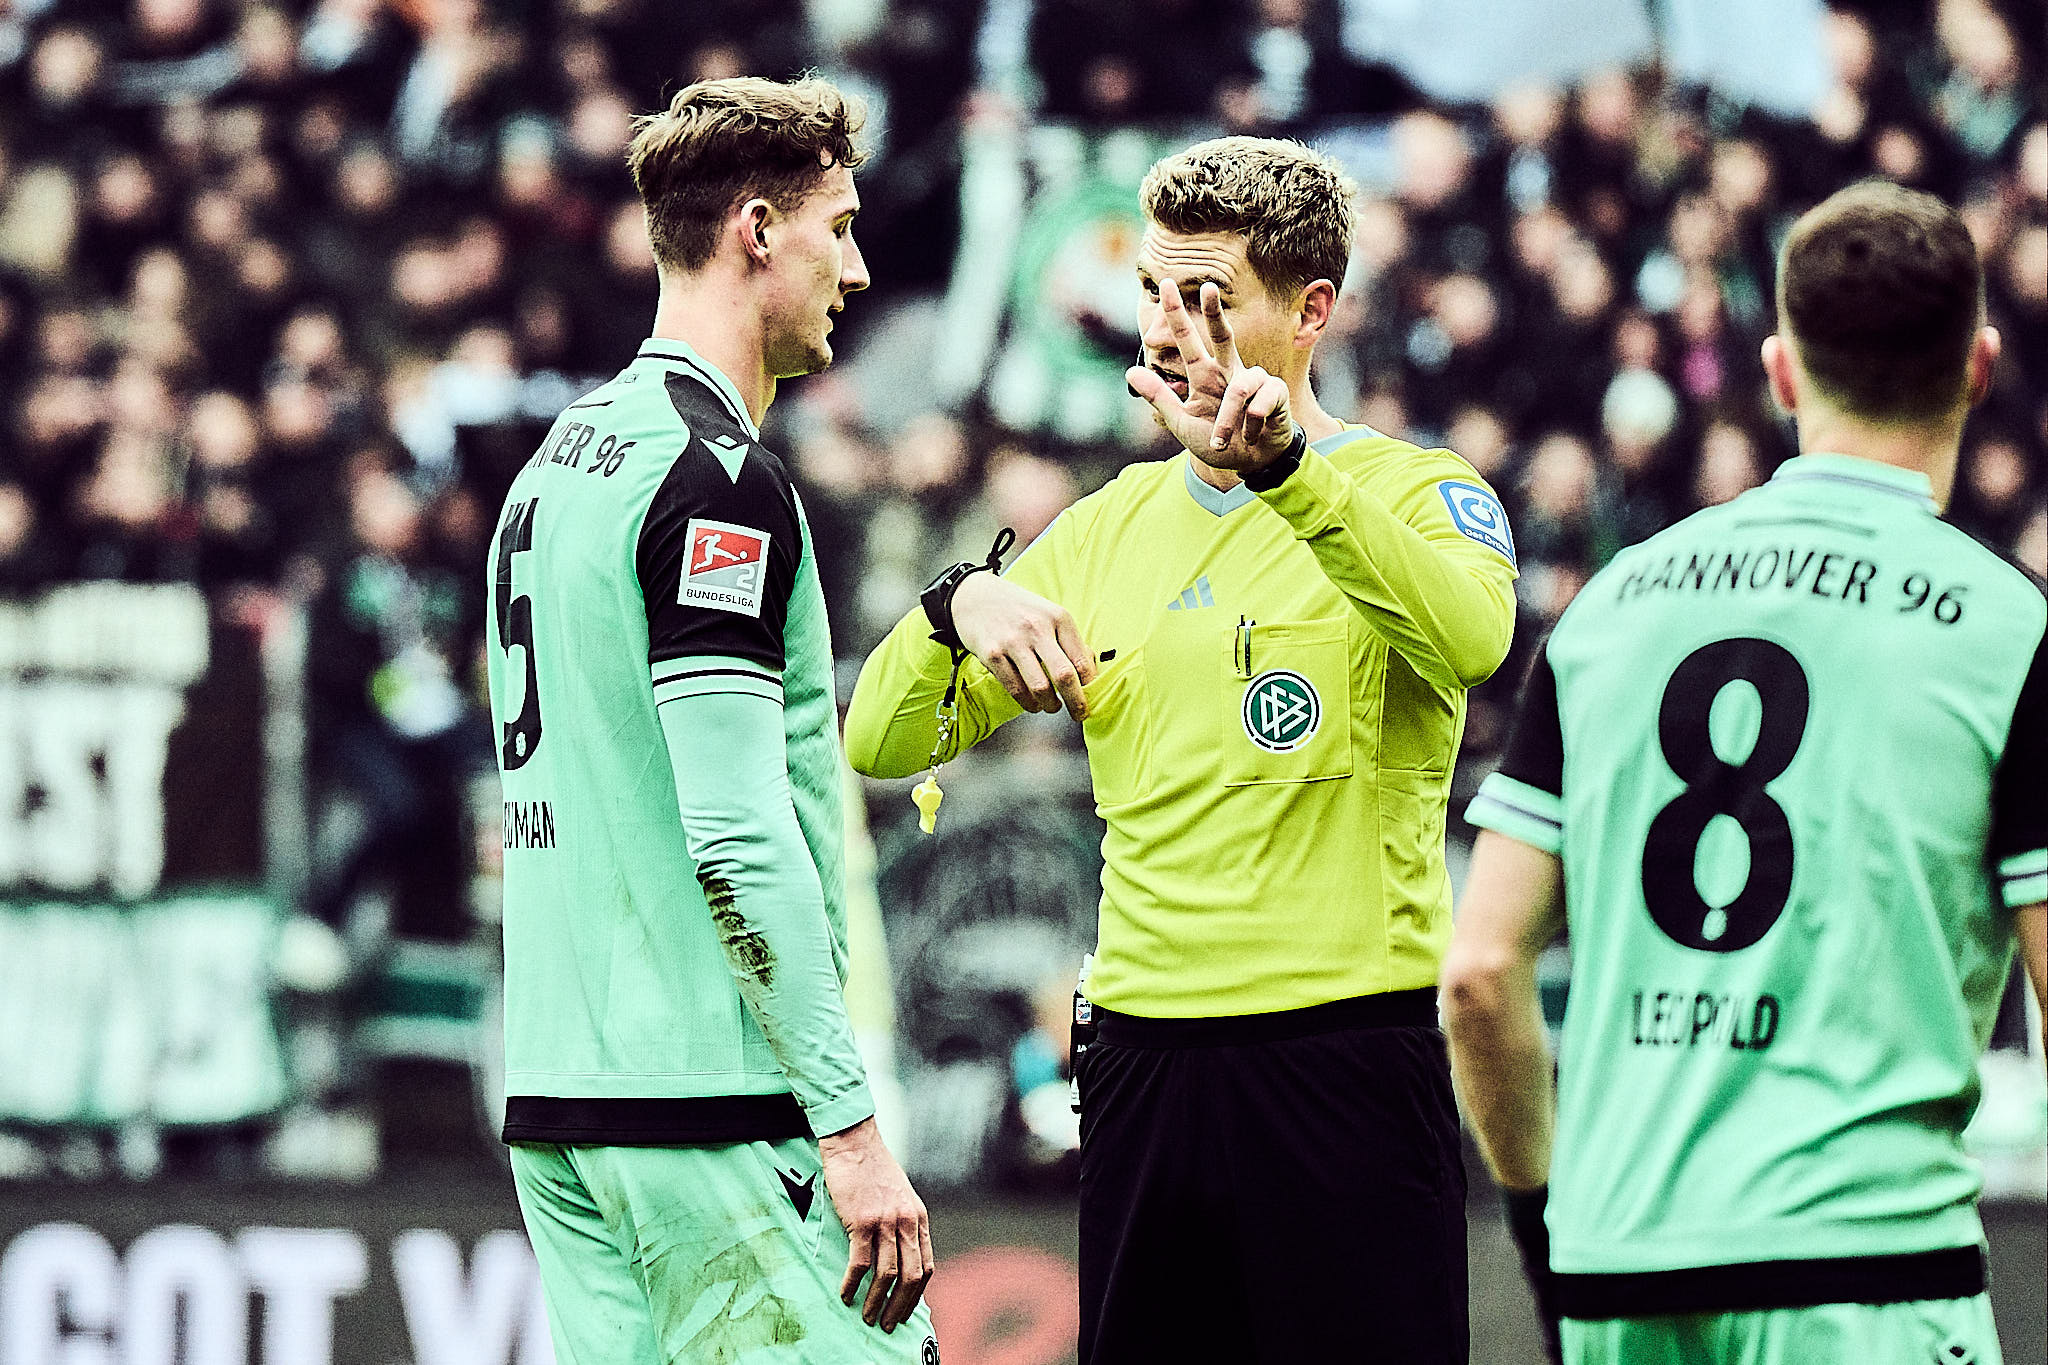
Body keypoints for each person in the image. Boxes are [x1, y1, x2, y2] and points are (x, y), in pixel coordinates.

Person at [846, 136, 1518, 1363]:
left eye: (1206, 296)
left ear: (1309, 313)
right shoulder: (1103, 529)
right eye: (1153, 289)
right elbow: (880, 737)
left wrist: (1289, 477)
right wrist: (955, 603)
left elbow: (1472, 641)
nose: (1164, 325)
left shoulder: (1415, 492)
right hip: (1142, 1067)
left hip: (1342, 1059)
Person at [1443, 178, 2048, 1365]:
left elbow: (1477, 975)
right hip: (1866, 1276)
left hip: (1618, 1273)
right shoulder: (2006, 628)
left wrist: (1545, 1227)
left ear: (1777, 373)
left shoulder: (1611, 607)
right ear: (1978, 368)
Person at [484, 76, 939, 1364]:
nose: (855, 270)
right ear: (756, 230)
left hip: (562, 1100)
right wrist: (848, 1127)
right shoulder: (715, 482)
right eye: (837, 230)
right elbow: (733, 832)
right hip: (711, 1111)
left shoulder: (557, 465)